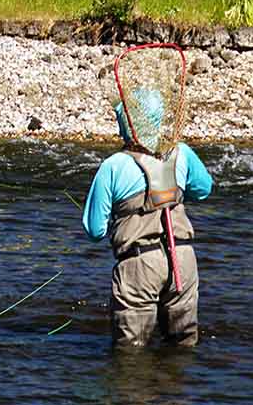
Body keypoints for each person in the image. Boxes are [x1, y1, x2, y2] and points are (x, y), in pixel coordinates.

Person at [81, 88, 213, 347]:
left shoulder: (113, 165)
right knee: (183, 347)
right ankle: (176, 386)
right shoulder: (181, 152)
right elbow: (204, 189)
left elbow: (95, 230)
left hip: (139, 264)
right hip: (182, 261)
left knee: (130, 355)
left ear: (128, 122)